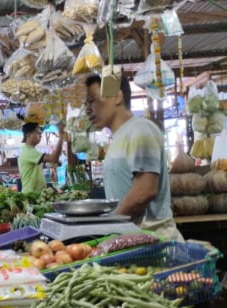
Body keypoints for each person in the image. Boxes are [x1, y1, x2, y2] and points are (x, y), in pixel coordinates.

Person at [85, 75, 183, 241]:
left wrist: (108, 225)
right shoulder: (119, 137)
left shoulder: (140, 130)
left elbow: (144, 192)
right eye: (86, 103)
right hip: (134, 242)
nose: (87, 109)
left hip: (155, 244)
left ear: (117, 97)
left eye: (92, 100)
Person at [17, 121, 66, 193]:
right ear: (28, 135)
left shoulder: (31, 150)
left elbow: (54, 160)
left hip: (36, 193)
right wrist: (61, 137)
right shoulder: (28, 151)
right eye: (37, 132)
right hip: (31, 195)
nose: (40, 134)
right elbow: (53, 158)